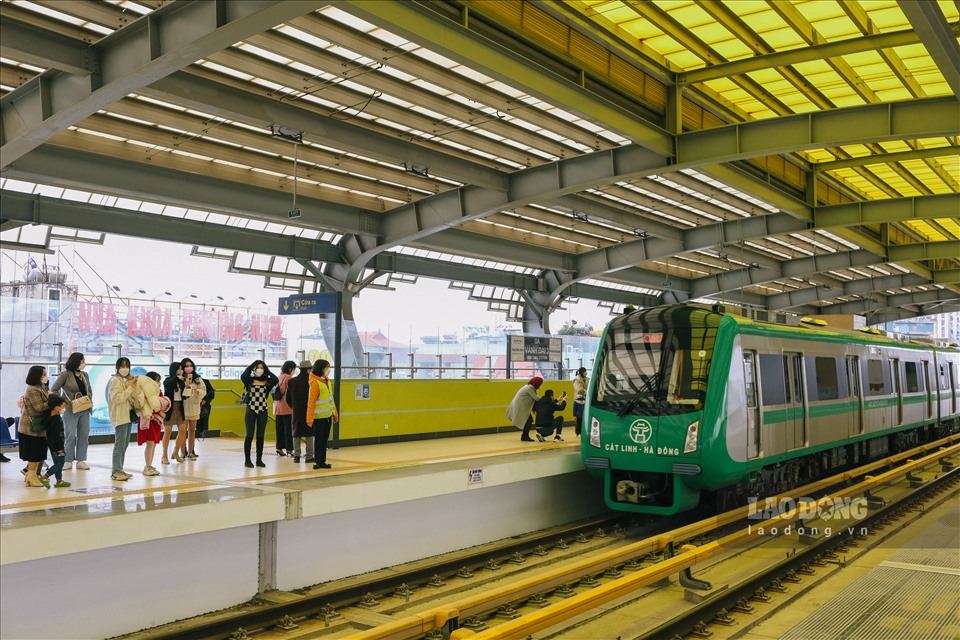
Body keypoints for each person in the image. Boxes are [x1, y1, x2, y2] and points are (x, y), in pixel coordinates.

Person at [50, 352, 92, 470]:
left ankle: (81, 460)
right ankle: (67, 460)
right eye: (82, 360)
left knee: (84, 435)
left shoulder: (85, 375)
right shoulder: (65, 375)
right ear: (76, 361)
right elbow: (54, 390)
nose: (84, 363)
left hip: (85, 408)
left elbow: (89, 390)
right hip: (70, 409)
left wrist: (89, 400)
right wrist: (62, 402)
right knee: (70, 435)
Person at [240, 360, 278, 468]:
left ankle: (259, 460)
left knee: (260, 436)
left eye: (262, 368)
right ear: (254, 369)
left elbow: (276, 379)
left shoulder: (267, 381)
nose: (260, 369)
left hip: (263, 409)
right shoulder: (249, 380)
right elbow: (243, 376)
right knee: (249, 435)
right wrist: (251, 367)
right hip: (251, 408)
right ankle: (247, 460)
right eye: (258, 367)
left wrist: (267, 371)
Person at [18, 366, 50, 487]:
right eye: (43, 374)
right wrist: (53, 402)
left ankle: (31, 475)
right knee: (34, 453)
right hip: (31, 427)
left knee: (38, 452)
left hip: (39, 427)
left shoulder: (41, 387)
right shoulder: (32, 389)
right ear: (37, 376)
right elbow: (39, 407)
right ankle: (31, 476)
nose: (46, 376)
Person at [107, 357, 136, 481]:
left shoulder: (124, 380)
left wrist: (130, 384)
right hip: (120, 416)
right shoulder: (115, 381)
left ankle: (120, 469)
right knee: (120, 444)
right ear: (117, 368)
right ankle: (116, 471)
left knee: (124, 444)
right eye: (122, 366)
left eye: (127, 366)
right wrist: (130, 388)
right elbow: (117, 399)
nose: (125, 369)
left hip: (127, 416)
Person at [306, 359, 337, 470]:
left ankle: (322, 461)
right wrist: (309, 418)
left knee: (324, 440)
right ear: (321, 369)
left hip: (327, 416)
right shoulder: (315, 382)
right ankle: (318, 461)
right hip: (319, 418)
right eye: (327, 368)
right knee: (319, 440)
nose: (328, 370)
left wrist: (335, 413)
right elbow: (311, 402)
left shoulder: (326, 382)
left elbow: (330, 399)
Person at [135, 371, 166, 476]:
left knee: (153, 444)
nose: (158, 383)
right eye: (157, 381)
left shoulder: (158, 391)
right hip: (149, 420)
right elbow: (150, 406)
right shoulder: (144, 392)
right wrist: (159, 412)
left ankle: (150, 465)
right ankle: (147, 466)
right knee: (150, 443)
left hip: (156, 421)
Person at [176, 358, 205, 461]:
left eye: (190, 365)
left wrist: (198, 392)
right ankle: (183, 451)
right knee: (183, 431)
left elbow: (203, 390)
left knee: (192, 429)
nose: (189, 368)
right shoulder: (180, 378)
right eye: (186, 366)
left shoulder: (197, 378)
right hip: (183, 407)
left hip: (194, 406)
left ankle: (191, 451)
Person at [286, 360, 314, 464]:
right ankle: (309, 456)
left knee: (296, 433)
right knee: (309, 433)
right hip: (309, 410)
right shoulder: (311, 381)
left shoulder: (292, 381)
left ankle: (297, 456)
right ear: (308, 370)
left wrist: (294, 407)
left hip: (297, 411)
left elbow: (288, 398)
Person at [40, 395, 70, 488]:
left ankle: (59, 481)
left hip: (52, 445)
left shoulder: (49, 417)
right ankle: (45, 477)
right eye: (63, 407)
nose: (64, 409)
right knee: (60, 463)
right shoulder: (56, 419)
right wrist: (60, 447)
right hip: (58, 446)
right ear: (56, 407)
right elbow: (57, 435)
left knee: (57, 463)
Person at [506, 375, 543, 442]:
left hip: (520, 407)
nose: (540, 386)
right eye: (540, 384)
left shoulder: (528, 387)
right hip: (520, 407)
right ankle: (525, 436)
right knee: (529, 420)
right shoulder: (529, 388)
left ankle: (524, 435)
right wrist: (546, 398)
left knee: (529, 420)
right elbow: (536, 398)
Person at [162, 362, 185, 464]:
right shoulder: (168, 380)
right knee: (168, 431)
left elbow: (184, 396)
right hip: (170, 407)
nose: (180, 370)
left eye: (181, 369)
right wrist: (177, 378)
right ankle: (164, 455)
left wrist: (187, 388)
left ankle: (176, 451)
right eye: (178, 369)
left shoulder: (182, 381)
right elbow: (168, 385)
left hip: (180, 407)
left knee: (183, 430)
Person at [273, 361, 296, 458]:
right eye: (294, 369)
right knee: (288, 430)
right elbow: (293, 393)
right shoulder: (289, 378)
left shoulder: (278, 377)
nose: (294, 371)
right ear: (290, 369)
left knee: (279, 429)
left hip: (277, 407)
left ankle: (279, 448)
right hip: (287, 408)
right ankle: (289, 449)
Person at [195, 377, 216, 443]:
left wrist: (205, 400)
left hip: (204, 405)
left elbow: (212, 393)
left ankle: (203, 433)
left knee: (204, 417)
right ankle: (199, 433)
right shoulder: (191, 382)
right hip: (194, 405)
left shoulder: (205, 381)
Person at [572, 367, 588, 437]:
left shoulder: (585, 379)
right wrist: (585, 390)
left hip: (584, 400)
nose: (586, 373)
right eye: (584, 372)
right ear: (581, 372)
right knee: (579, 417)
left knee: (583, 417)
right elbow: (578, 389)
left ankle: (581, 431)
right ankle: (578, 432)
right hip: (579, 401)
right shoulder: (577, 379)